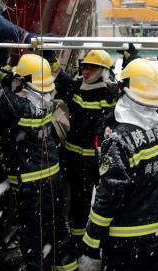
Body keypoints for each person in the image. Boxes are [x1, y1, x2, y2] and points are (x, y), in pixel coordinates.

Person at [0, 44, 78, 271]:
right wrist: (9, 70)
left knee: (36, 245)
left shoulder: (20, 108)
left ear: (26, 80)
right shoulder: (46, 99)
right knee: (59, 237)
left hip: (34, 190)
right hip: (54, 183)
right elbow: (11, 87)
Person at [82, 58, 158, 271]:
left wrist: (92, 237)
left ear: (124, 92)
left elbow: (109, 195)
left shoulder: (119, 140)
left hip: (125, 240)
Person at [46, 49, 119, 255]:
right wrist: (51, 59)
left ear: (103, 71)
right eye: (85, 66)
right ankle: (78, 245)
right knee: (79, 206)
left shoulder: (111, 93)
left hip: (99, 161)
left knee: (105, 205)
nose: (86, 71)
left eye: (92, 68)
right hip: (76, 162)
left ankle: (102, 242)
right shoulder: (77, 87)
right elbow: (61, 79)